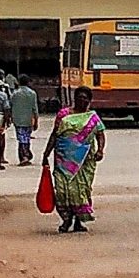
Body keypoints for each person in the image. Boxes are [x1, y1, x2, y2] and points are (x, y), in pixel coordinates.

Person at [46, 92, 105, 233]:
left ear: (90, 101)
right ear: (74, 99)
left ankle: (79, 221)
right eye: (80, 98)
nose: (82, 101)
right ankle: (66, 220)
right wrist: (45, 154)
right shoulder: (63, 114)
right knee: (62, 190)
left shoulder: (93, 118)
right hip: (63, 158)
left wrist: (100, 150)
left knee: (82, 189)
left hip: (84, 160)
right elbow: (55, 134)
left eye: (85, 98)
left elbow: (100, 135)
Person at [9, 76, 40, 165]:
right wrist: (36, 120)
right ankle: (26, 155)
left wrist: (10, 118)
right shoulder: (32, 93)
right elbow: (35, 109)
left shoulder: (14, 93)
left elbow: (10, 106)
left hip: (17, 120)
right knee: (26, 137)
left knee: (21, 137)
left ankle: (24, 156)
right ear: (28, 83)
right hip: (29, 120)